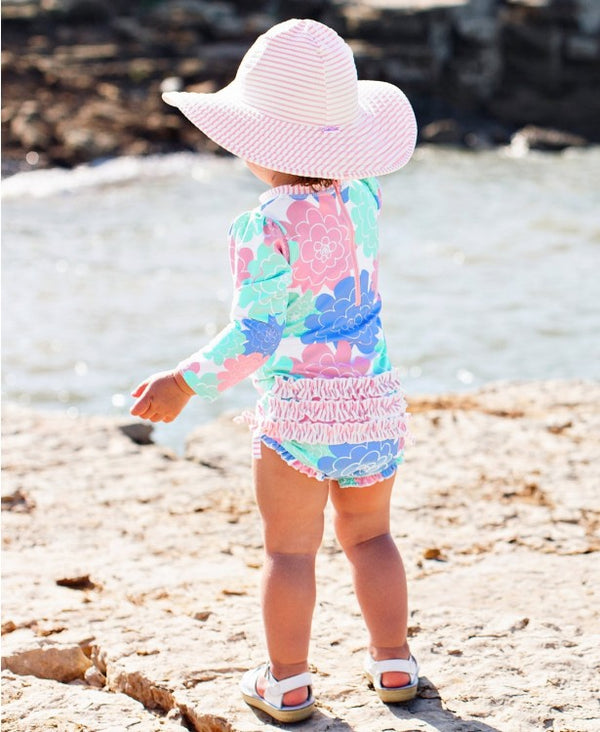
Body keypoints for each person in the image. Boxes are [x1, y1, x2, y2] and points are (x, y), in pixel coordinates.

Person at [131, 18, 419, 723]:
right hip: (375, 402)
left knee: (290, 554)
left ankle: (287, 684)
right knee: (373, 537)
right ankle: (394, 664)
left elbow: (256, 336)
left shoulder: (264, 224)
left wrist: (185, 380)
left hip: (301, 412)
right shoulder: (364, 198)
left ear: (259, 144)